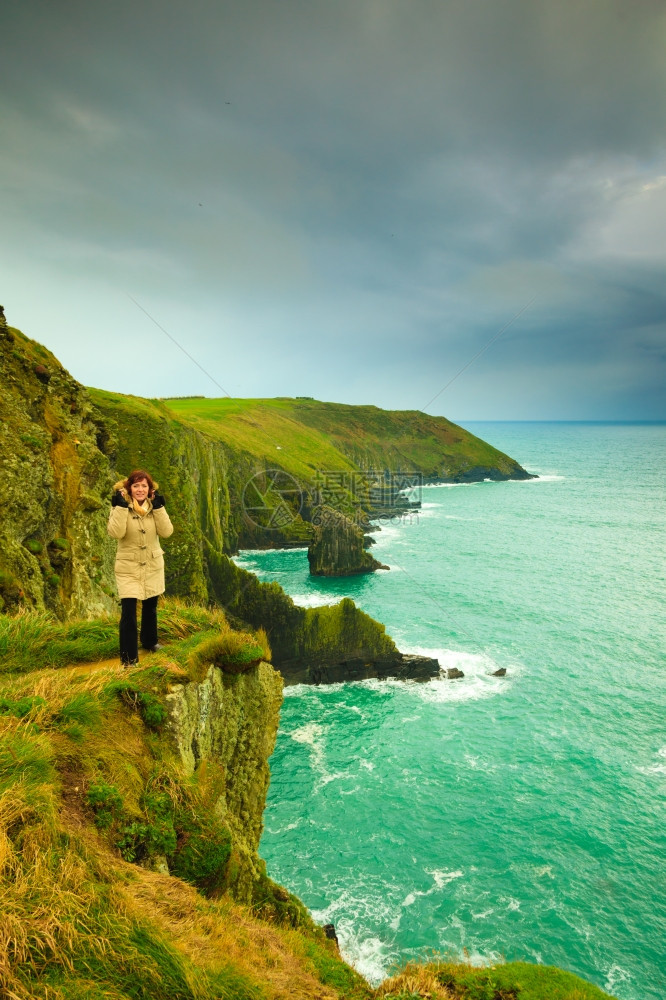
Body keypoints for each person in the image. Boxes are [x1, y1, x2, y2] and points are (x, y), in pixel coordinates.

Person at [107, 469, 173, 666]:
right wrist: (119, 507)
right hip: (129, 566)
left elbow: (167, 532)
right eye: (136, 485)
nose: (140, 489)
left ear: (150, 489)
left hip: (152, 564)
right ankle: (129, 659)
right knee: (128, 612)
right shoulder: (121, 507)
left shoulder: (155, 507)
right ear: (129, 488)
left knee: (150, 607)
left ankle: (150, 642)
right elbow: (115, 533)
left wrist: (160, 508)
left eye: (144, 485)